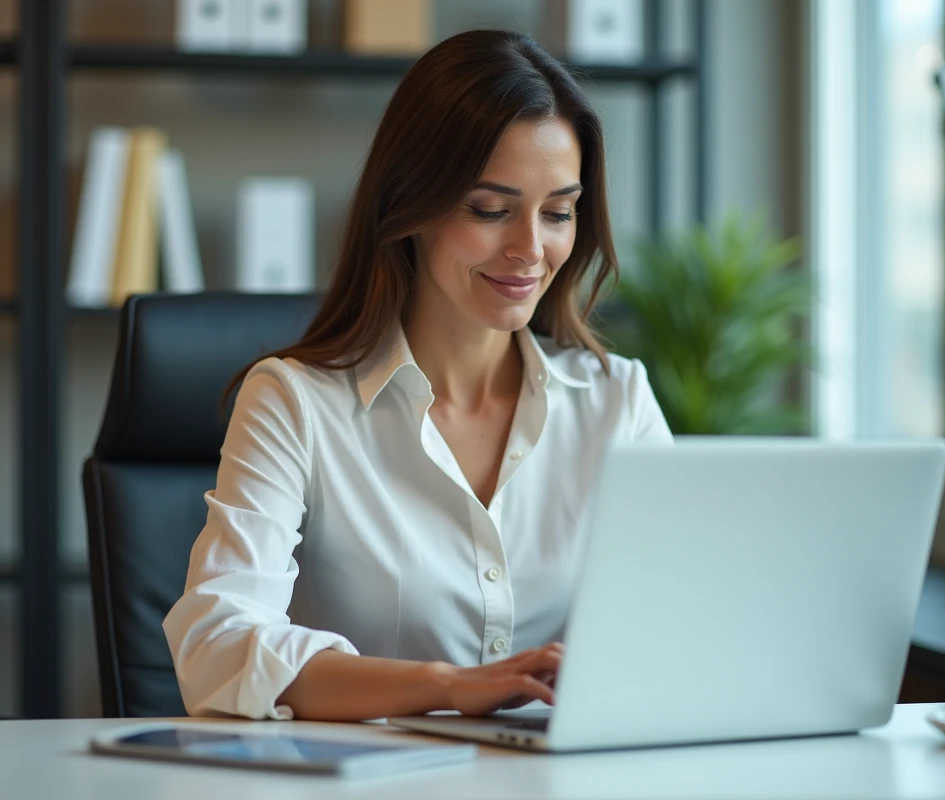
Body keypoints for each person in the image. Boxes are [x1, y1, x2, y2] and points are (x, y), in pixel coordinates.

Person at [163, 28, 673, 723]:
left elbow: (686, 623)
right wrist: (448, 686)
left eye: (558, 212)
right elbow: (218, 646)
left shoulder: (618, 402)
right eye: (489, 210)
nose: (530, 248)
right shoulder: (294, 402)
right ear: (412, 206)